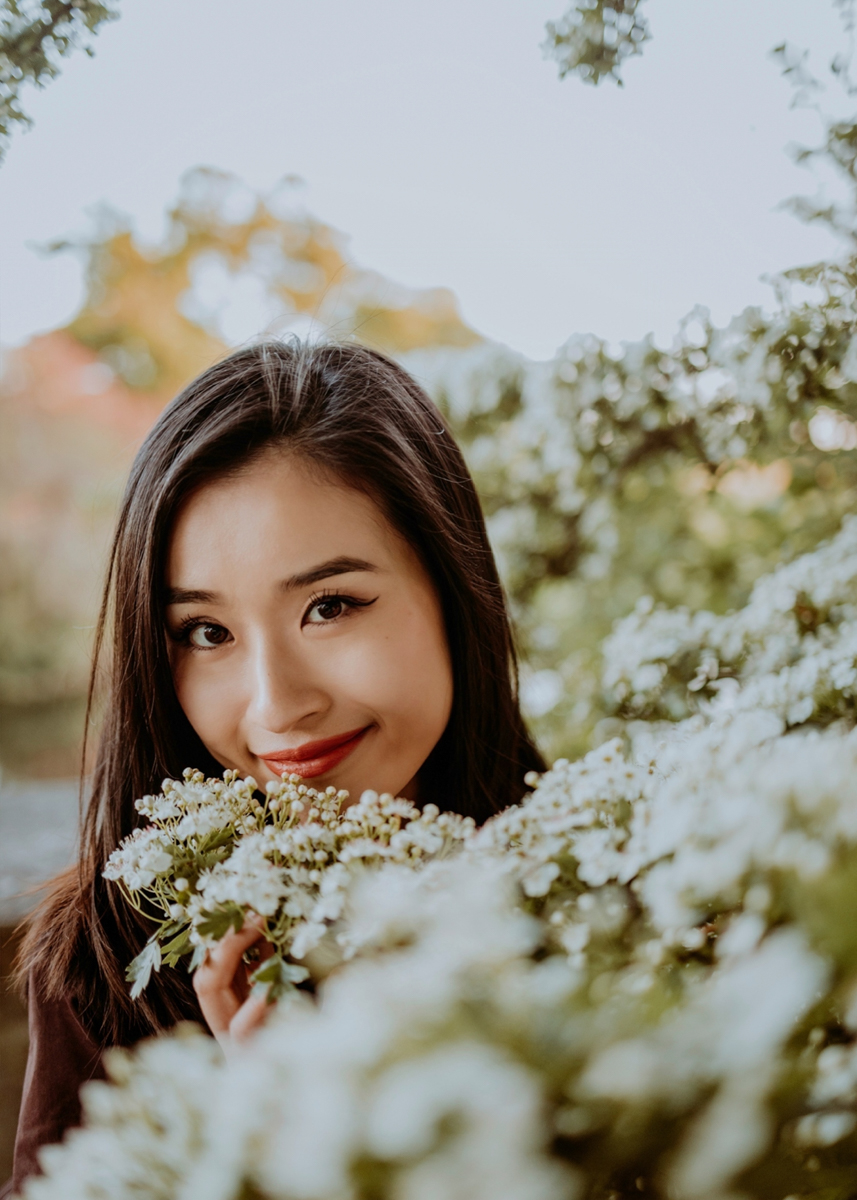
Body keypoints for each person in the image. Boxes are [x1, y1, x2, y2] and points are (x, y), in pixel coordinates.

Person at [5, 339, 545, 1193]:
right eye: (206, 633)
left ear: (454, 587)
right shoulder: (101, 964)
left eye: (329, 607)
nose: (275, 706)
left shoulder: (622, 886)